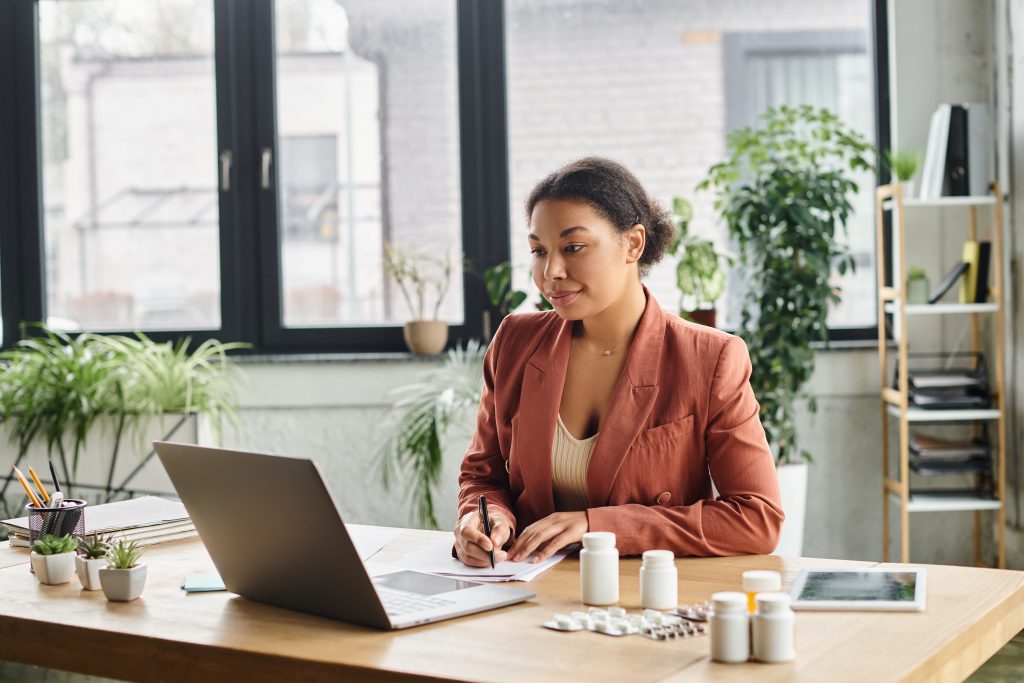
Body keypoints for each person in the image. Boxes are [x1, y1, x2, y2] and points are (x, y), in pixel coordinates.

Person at [454, 156, 783, 567]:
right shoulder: (515, 343)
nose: (550, 271)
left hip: (648, 599)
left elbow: (757, 518)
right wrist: (484, 518)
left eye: (573, 247)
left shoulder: (710, 358)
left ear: (633, 244)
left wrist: (600, 527)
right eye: (538, 251)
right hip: (528, 592)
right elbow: (483, 476)